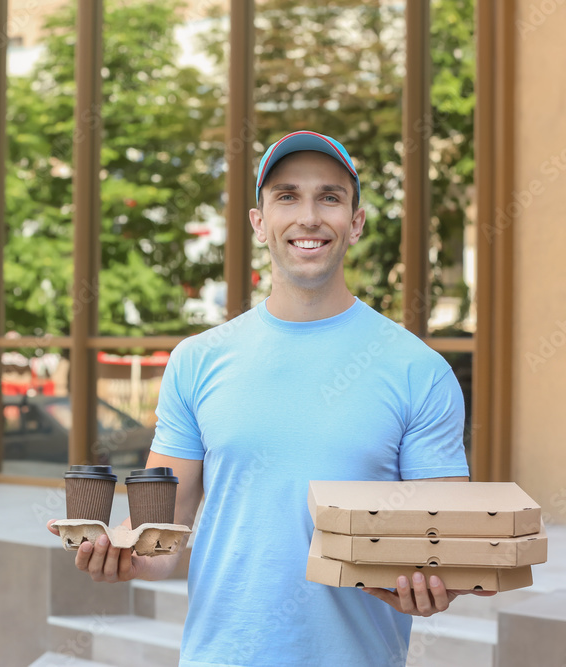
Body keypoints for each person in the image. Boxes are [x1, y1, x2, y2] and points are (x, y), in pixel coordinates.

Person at [48, 130, 489, 666]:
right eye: (287, 196)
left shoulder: (419, 370)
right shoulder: (197, 360)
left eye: (329, 197)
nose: (309, 217)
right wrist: (122, 555)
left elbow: (446, 548)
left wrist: (434, 586)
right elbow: (165, 540)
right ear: (259, 223)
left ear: (355, 222)